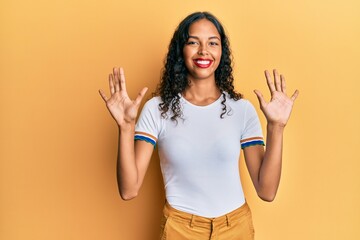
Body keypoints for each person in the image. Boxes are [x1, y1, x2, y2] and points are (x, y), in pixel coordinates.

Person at [99, 11, 298, 240]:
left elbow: (267, 191)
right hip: (180, 230)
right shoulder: (157, 109)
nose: (204, 50)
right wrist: (125, 127)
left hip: (236, 228)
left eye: (212, 43)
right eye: (193, 42)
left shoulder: (241, 109)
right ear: (180, 50)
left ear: (221, 51)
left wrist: (276, 127)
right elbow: (129, 189)